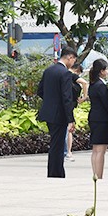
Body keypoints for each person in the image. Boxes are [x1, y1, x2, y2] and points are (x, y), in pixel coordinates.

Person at [37, 46, 77, 178]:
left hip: (48, 112)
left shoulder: (49, 70)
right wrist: (70, 119)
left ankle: (54, 172)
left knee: (55, 144)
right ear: (70, 57)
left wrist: (50, 101)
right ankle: (56, 173)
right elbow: (67, 98)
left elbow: (40, 90)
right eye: (73, 61)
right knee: (58, 146)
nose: (73, 64)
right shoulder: (65, 73)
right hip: (59, 114)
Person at [88, 59, 108, 179]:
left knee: (95, 149)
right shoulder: (101, 86)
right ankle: (99, 175)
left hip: (93, 118)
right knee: (101, 149)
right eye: (106, 69)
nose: (107, 71)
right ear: (101, 71)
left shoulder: (92, 84)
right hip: (102, 119)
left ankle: (95, 174)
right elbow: (106, 104)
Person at [66, 63, 88, 161]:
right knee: (69, 128)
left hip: (68, 104)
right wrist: (84, 97)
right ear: (76, 70)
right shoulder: (72, 75)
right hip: (69, 105)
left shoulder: (65, 75)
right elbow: (85, 83)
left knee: (68, 128)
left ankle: (67, 151)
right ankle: (68, 152)